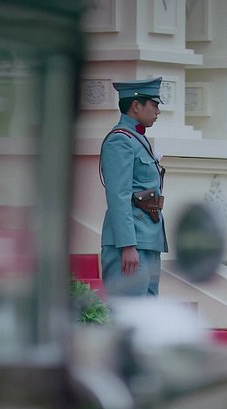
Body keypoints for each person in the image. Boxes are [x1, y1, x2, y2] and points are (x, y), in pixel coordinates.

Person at [100, 77, 168, 297]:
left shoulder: (138, 139)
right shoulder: (120, 140)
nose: (158, 111)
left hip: (148, 239)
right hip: (131, 243)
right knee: (127, 310)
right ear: (136, 105)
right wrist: (128, 245)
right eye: (154, 105)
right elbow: (118, 195)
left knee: (147, 312)